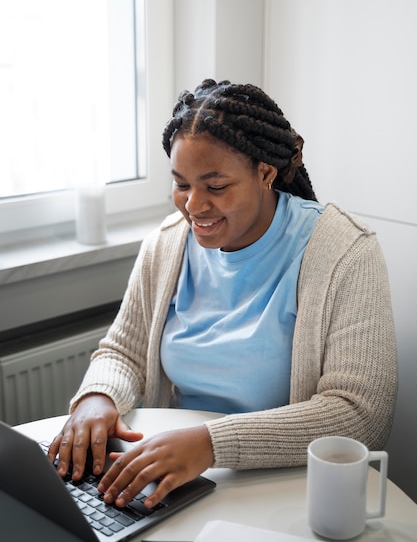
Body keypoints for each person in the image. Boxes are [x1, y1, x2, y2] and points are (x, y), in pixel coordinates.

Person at [49, 78, 398, 511]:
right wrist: (97, 398)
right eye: (181, 184)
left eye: (215, 187)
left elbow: (360, 415)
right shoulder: (168, 243)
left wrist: (211, 444)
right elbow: (124, 351)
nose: (194, 206)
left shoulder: (344, 252)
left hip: (286, 485)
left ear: (265, 173)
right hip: (179, 477)